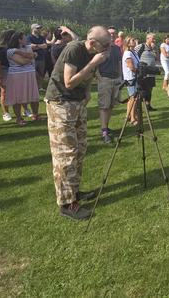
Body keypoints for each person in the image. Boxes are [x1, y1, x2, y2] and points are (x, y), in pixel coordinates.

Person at [45, 26, 111, 220]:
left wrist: (88, 92)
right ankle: (66, 203)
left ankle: (74, 191)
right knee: (65, 153)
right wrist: (93, 64)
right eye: (106, 44)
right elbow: (69, 82)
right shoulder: (74, 49)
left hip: (77, 103)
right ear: (93, 43)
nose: (108, 47)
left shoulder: (94, 52)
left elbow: (87, 79)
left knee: (80, 148)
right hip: (61, 103)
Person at [5, 32, 40, 125]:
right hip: (16, 76)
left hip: (30, 74)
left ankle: (35, 115)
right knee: (17, 97)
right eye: (24, 38)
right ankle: (19, 118)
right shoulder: (10, 51)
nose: (26, 40)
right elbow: (21, 61)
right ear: (19, 40)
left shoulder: (28, 47)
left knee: (33, 96)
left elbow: (30, 57)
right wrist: (32, 56)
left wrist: (29, 56)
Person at [97, 34, 122, 144]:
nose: (112, 35)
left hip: (116, 79)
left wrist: (120, 77)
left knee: (111, 105)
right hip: (105, 79)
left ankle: (106, 126)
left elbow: (119, 63)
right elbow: (95, 63)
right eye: (109, 34)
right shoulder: (101, 48)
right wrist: (99, 78)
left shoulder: (117, 48)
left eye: (113, 33)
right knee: (104, 105)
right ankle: (104, 132)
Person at [0, 29, 15, 122]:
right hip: (5, 70)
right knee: (4, 92)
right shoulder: (1, 49)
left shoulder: (13, 47)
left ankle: (20, 111)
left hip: (13, 70)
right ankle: (5, 112)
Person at [135, 33, 157, 111]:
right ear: (147, 38)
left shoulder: (153, 48)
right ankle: (138, 107)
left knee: (150, 89)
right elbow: (134, 55)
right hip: (143, 73)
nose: (154, 40)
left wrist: (153, 50)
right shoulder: (141, 46)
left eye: (154, 38)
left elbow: (156, 58)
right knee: (143, 90)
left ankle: (148, 105)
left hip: (151, 72)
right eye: (153, 38)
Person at [122, 36, 140, 125]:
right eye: (133, 40)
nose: (135, 41)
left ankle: (128, 116)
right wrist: (139, 71)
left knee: (132, 98)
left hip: (134, 77)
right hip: (131, 78)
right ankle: (133, 118)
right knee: (134, 98)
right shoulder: (128, 53)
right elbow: (131, 67)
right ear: (128, 43)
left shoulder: (133, 52)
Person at [26, 24, 49, 90]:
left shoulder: (42, 38)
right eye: (37, 28)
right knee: (33, 73)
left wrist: (36, 46)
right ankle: (33, 86)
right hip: (33, 59)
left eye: (40, 28)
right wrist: (40, 46)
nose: (39, 29)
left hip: (42, 58)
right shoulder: (29, 37)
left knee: (41, 73)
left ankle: (40, 87)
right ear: (33, 29)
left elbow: (45, 46)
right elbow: (31, 47)